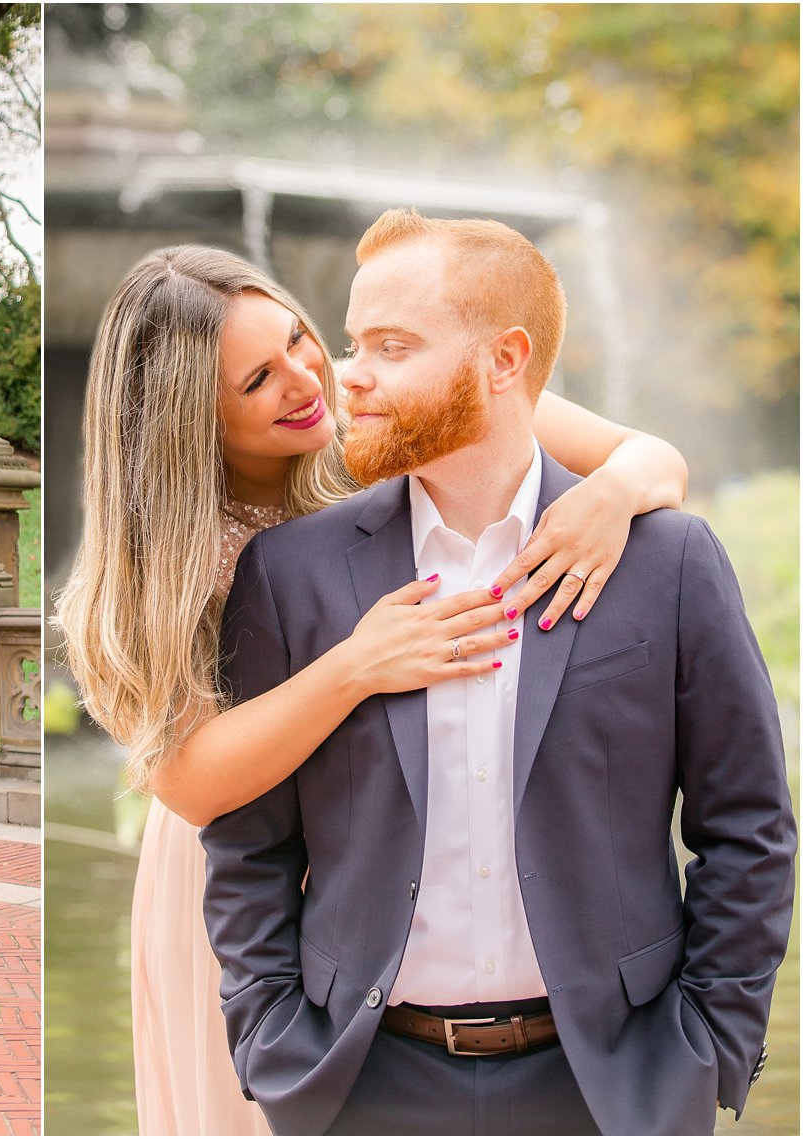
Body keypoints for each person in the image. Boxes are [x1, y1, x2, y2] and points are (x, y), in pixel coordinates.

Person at [54, 244, 692, 1136]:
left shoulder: (385, 413)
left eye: (299, 340)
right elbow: (191, 781)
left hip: (390, 837)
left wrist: (612, 496)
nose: (308, 379)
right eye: (258, 382)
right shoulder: (164, 562)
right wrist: (357, 665)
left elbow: (653, 456)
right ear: (186, 421)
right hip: (248, 877)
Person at [202, 209, 794, 1134]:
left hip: (612, 1089)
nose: (345, 374)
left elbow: (749, 826)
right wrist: (270, 1034)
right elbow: (250, 844)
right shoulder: (290, 576)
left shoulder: (669, 563)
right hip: (362, 1088)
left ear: (504, 360)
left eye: (391, 346)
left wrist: (707, 1046)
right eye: (355, 341)